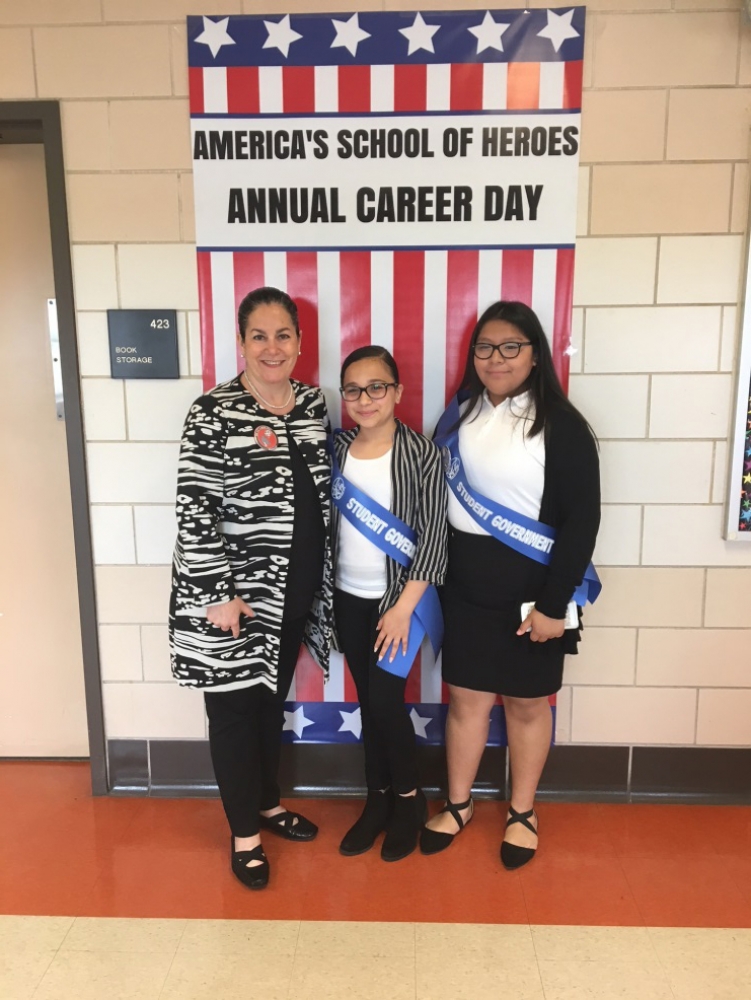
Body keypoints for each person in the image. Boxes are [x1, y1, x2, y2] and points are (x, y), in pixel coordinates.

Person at [421, 301, 600, 869]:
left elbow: (583, 521)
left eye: (509, 347)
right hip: (465, 587)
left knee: (526, 704)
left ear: (534, 354)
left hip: (535, 591)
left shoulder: (562, 423)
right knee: (466, 700)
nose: (495, 359)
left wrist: (554, 605)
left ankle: (522, 811)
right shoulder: (459, 414)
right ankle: (457, 803)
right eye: (484, 347)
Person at [169, 286, 332, 890]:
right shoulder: (212, 412)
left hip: (292, 594)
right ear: (240, 343)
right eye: (258, 336)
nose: (272, 347)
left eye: (283, 335)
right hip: (231, 602)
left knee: (269, 703)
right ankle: (245, 836)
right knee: (235, 712)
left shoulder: (312, 404)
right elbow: (195, 509)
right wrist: (217, 593)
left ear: (298, 342)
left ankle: (267, 804)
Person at [331, 346, 447, 862]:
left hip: (402, 604)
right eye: (353, 389)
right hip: (347, 599)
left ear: (397, 392)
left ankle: (408, 802)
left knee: (384, 702)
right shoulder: (335, 450)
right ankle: (375, 801)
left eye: (377, 387)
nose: (364, 398)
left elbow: (433, 538)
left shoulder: (423, 453)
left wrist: (402, 608)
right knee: (368, 704)